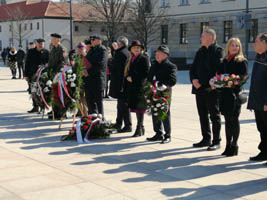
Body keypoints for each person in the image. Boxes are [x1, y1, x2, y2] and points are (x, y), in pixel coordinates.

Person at [190, 28, 224, 151]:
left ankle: (216, 141)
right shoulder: (200, 51)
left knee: (214, 116)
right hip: (199, 88)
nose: (200, 38)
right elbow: (193, 68)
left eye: (202, 36)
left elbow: (217, 70)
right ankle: (206, 138)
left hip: (211, 89)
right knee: (202, 115)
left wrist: (206, 82)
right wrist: (193, 79)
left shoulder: (218, 51)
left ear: (210, 38)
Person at [216, 38, 248, 156]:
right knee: (227, 121)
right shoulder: (224, 61)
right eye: (233, 45)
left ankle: (234, 145)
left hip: (234, 95)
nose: (235, 47)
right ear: (228, 47)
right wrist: (217, 81)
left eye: (237, 46)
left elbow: (243, 77)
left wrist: (233, 81)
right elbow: (219, 75)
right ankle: (228, 145)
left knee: (234, 120)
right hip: (224, 95)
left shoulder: (241, 61)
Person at [147, 45, 177, 143]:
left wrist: (161, 84)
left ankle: (167, 135)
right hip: (154, 91)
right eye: (156, 54)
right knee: (155, 111)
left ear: (165, 55)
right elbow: (149, 77)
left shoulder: (171, 66)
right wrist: (151, 84)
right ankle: (158, 133)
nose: (157, 56)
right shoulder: (154, 64)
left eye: (159, 54)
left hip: (165, 92)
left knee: (164, 112)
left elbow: (173, 80)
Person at [247, 33, 267, 162]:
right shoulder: (259, 56)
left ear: (264, 43)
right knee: (262, 128)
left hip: (265, 101)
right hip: (257, 100)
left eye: (256, 41)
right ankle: (264, 152)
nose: (254, 44)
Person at [124, 40, 149, 137]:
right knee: (136, 107)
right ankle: (141, 127)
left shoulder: (143, 58)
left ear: (141, 49)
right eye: (134, 48)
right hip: (133, 86)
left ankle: (139, 127)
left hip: (140, 86)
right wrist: (128, 77)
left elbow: (145, 73)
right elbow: (128, 71)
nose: (136, 49)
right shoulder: (131, 58)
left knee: (140, 108)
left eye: (138, 48)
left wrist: (133, 78)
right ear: (131, 50)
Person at [109, 36, 132, 133]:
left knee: (123, 105)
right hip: (123, 82)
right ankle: (119, 123)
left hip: (121, 83)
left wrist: (110, 61)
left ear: (120, 44)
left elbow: (115, 68)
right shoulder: (125, 52)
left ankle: (127, 125)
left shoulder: (121, 53)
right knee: (120, 105)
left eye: (117, 43)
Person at [84, 34, 108, 117]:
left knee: (98, 101)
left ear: (99, 40)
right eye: (91, 39)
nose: (92, 41)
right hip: (89, 80)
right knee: (90, 101)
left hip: (98, 80)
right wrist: (83, 69)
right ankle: (91, 119)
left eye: (93, 39)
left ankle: (100, 120)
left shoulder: (103, 50)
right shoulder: (91, 50)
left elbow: (101, 65)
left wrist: (89, 72)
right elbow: (86, 61)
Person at [24, 39, 49, 113]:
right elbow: (27, 63)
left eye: (42, 44)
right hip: (32, 74)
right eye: (39, 44)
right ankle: (35, 106)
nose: (41, 45)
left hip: (43, 75)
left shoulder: (46, 52)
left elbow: (48, 63)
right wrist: (26, 75)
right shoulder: (31, 52)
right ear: (36, 44)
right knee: (33, 91)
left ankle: (42, 107)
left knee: (42, 91)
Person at [47, 33, 65, 119]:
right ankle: (54, 110)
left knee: (58, 93)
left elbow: (63, 62)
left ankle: (60, 112)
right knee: (53, 93)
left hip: (58, 74)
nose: (51, 40)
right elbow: (51, 60)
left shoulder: (61, 49)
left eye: (53, 39)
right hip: (52, 73)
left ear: (57, 40)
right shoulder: (53, 48)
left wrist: (57, 72)